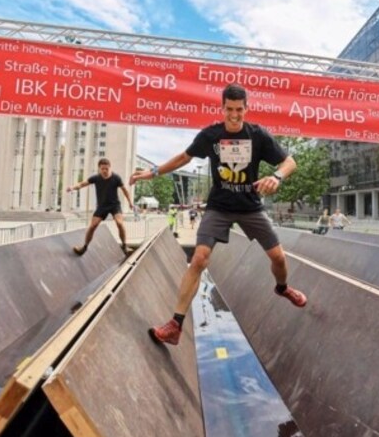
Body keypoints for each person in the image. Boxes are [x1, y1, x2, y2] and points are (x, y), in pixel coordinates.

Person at [130, 83, 308, 345]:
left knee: (278, 258)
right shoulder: (211, 135)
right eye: (229, 110)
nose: (234, 115)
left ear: (246, 108)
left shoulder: (258, 135)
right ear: (222, 108)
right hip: (219, 207)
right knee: (199, 258)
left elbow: (290, 161)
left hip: (250, 206)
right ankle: (175, 325)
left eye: (239, 110)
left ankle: (282, 288)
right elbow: (183, 158)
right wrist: (153, 172)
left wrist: (277, 176)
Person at [67, 158, 134, 256]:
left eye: (106, 169)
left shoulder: (116, 178)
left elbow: (125, 190)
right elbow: (82, 184)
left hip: (114, 205)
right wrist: (72, 187)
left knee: (119, 223)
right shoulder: (96, 178)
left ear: (110, 168)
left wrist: (130, 202)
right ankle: (84, 248)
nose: (105, 171)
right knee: (92, 226)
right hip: (102, 206)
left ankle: (124, 246)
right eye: (102, 169)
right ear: (99, 169)